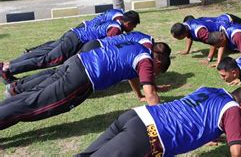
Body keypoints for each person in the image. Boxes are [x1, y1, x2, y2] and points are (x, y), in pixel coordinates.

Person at [0, 42, 171, 130]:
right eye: (157, 71)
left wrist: (138, 95)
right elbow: (151, 94)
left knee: (32, 95)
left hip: (77, 61)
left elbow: (133, 77)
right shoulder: (146, 61)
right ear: (157, 61)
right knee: (34, 105)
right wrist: (161, 119)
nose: (154, 74)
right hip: (82, 75)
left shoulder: (138, 48)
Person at [77, 86, 241, 157]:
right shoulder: (232, 109)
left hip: (136, 115)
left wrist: (207, 135)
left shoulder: (210, 89)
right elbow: (237, 153)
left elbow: (191, 112)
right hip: (149, 134)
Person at [0, 12, 140, 83]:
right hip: (74, 41)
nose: (132, 28)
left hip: (74, 34)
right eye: (133, 26)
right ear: (128, 23)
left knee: (44, 55)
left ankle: (8, 65)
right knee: (46, 60)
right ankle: (8, 69)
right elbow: (104, 47)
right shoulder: (116, 29)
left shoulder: (112, 21)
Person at [171, 13, 241, 61]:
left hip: (227, 21)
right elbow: (189, 36)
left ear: (182, 34)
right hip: (221, 21)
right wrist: (187, 50)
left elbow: (214, 40)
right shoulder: (186, 24)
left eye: (177, 37)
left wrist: (209, 58)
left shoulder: (200, 32)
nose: (176, 39)